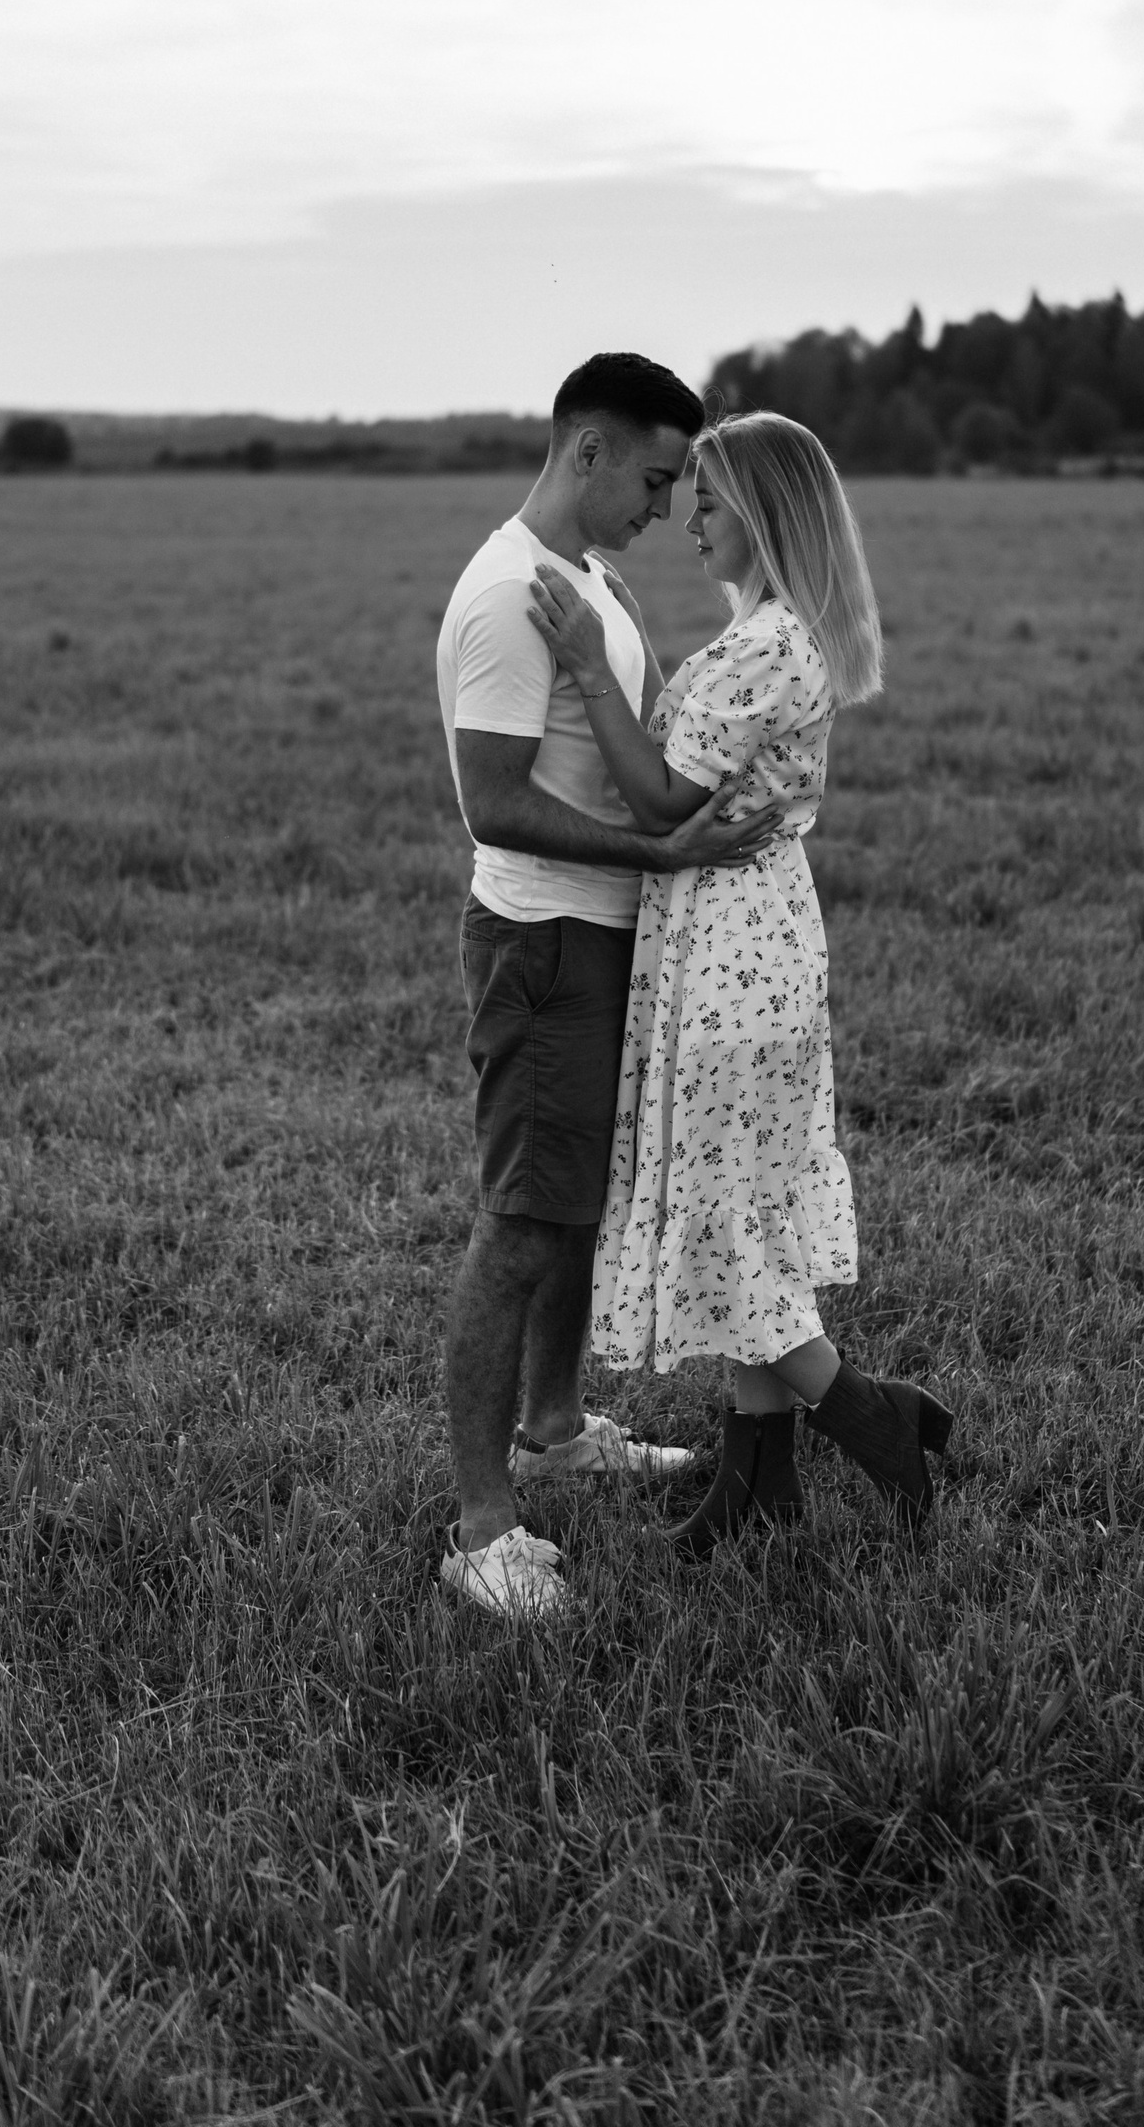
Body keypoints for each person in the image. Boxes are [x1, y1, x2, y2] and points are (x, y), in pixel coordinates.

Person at [526, 409, 952, 1557]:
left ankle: (874, 1418)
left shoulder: (771, 646)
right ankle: (759, 1487)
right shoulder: (762, 633)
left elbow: (663, 800)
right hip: (733, 946)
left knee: (725, 1220)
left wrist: (588, 667)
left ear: (763, 512)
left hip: (736, 963)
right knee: (738, 1210)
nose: (689, 519)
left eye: (708, 501)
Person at [435, 352, 781, 1621]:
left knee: (572, 1209)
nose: (664, 506)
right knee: (523, 1224)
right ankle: (483, 1530)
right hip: (545, 946)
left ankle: (556, 1430)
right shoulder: (505, 597)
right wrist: (658, 855)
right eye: (652, 478)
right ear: (588, 450)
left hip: (600, 941)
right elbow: (494, 802)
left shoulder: (587, 579)